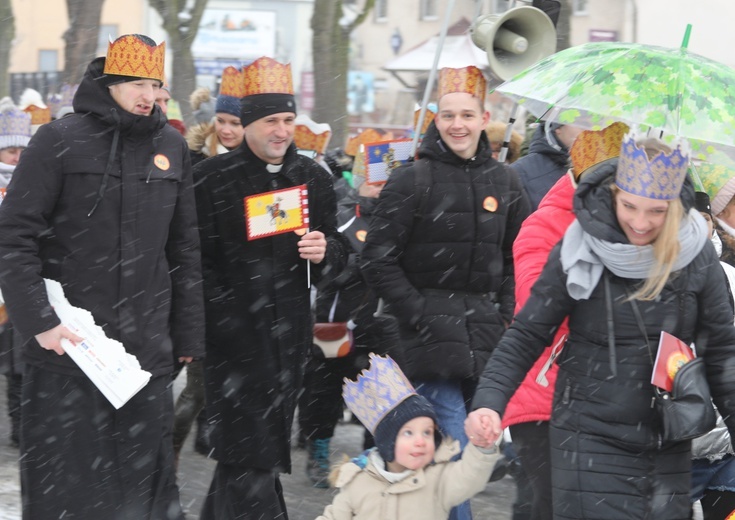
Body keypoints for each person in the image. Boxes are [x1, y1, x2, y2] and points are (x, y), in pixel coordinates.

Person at [467, 131, 735, 520]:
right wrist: (489, 402)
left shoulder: (695, 259)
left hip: (665, 437)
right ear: (614, 194)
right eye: (630, 206)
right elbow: (527, 333)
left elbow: (723, 355)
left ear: (675, 208)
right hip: (588, 434)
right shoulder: (581, 246)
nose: (640, 223)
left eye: (656, 212)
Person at [0, 34, 204, 519]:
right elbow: (13, 237)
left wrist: (188, 335)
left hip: (142, 359)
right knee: (66, 495)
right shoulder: (59, 140)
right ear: (109, 82)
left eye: (154, 83)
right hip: (67, 354)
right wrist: (41, 323)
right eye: (136, 82)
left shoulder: (171, 146)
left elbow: (185, 249)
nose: (147, 95)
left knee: (143, 496)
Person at [362, 65, 530, 520]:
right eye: (448, 115)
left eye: (467, 115)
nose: (457, 125)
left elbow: (521, 254)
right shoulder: (411, 180)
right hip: (426, 338)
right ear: (436, 118)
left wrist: (510, 309)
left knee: (477, 447)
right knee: (456, 446)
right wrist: (417, 311)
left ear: (484, 117)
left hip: (485, 333)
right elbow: (377, 258)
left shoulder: (507, 182)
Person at [193, 56, 349, 519]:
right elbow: (194, 263)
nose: (282, 130)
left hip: (291, 341)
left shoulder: (313, 178)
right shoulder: (211, 180)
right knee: (253, 460)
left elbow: (338, 256)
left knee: (247, 461)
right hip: (234, 347)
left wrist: (328, 252)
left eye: (287, 119)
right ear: (246, 125)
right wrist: (228, 320)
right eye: (270, 121)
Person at [501, 122, 629, 520]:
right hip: (545, 397)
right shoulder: (543, 226)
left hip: (604, 398)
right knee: (555, 505)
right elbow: (535, 308)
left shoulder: (633, 232)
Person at [298, 160, 397, 488]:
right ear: (361, 180)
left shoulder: (400, 219)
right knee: (323, 394)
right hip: (334, 323)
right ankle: (319, 450)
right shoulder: (341, 215)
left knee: (377, 396)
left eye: (386, 180)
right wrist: (361, 265)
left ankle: (372, 458)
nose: (379, 186)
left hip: (380, 326)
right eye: (374, 179)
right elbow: (326, 268)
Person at [317, 354, 501, 520]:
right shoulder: (358, 482)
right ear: (388, 442)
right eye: (408, 433)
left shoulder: (437, 481)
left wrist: (481, 448)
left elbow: (470, 477)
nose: (420, 441)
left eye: (427, 432)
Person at [0, 97, 32, 447]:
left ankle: (20, 426)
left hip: (16, 283)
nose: (16, 157)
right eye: (10, 150)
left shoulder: (31, 179)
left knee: (17, 364)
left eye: (21, 151)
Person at [511, 120, 583, 211]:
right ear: (558, 128)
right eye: (582, 123)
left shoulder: (600, 169)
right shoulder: (520, 172)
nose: (590, 131)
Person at [186, 66, 245, 166]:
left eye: (235, 123)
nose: (225, 131)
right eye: (220, 121)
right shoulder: (195, 158)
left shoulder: (266, 160)